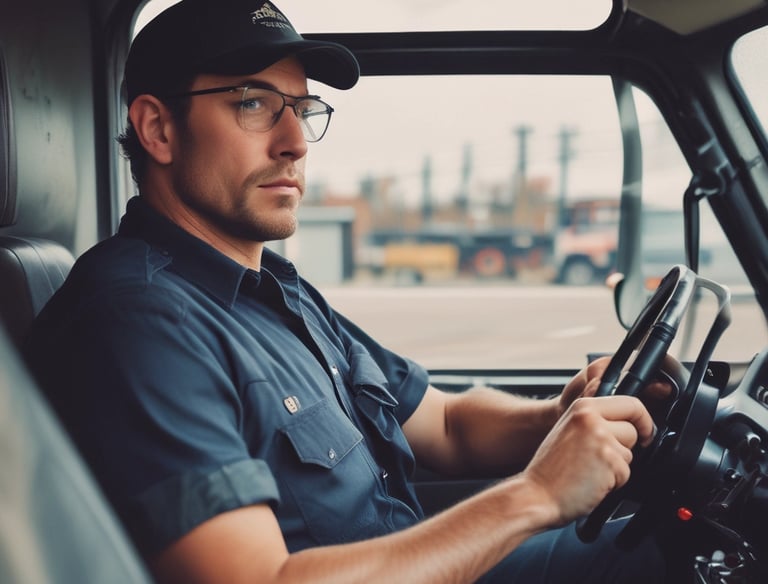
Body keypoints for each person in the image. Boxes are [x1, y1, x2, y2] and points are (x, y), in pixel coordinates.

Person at [24, 0, 668, 582]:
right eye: (252, 102)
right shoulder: (138, 322)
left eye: (301, 109)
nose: (296, 143)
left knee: (674, 538)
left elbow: (444, 425)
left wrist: (564, 419)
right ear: (158, 129)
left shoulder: (277, 287)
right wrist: (536, 497)